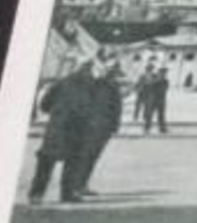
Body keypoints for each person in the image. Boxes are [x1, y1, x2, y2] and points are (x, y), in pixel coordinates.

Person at [28, 59, 106, 204]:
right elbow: (94, 108)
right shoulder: (93, 86)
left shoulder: (62, 82)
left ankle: (36, 194)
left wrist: (57, 112)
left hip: (56, 128)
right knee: (73, 162)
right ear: (88, 69)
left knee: (46, 161)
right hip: (78, 129)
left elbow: (45, 105)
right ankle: (67, 194)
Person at [73, 53, 126, 195]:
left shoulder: (111, 86)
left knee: (92, 157)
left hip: (104, 128)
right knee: (87, 156)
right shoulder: (97, 85)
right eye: (111, 70)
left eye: (115, 71)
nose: (114, 73)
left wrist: (114, 125)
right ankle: (77, 185)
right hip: (94, 127)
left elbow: (116, 107)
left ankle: (81, 184)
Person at [140, 63, 169, 134]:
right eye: (162, 72)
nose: (163, 74)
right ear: (159, 72)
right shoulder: (154, 79)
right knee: (149, 115)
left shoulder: (165, 81)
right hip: (152, 100)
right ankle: (146, 128)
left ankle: (162, 128)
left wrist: (158, 80)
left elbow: (164, 90)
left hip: (161, 101)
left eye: (164, 73)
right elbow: (148, 84)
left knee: (161, 115)